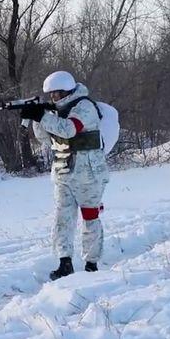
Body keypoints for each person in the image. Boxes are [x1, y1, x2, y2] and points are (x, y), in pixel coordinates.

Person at [24, 71, 109, 280]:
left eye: (57, 94)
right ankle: (65, 262)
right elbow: (46, 138)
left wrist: (43, 116)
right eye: (51, 95)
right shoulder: (56, 112)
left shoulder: (84, 106)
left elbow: (70, 130)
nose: (54, 98)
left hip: (88, 173)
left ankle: (91, 264)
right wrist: (37, 118)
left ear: (68, 90)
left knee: (90, 217)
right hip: (63, 171)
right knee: (62, 219)